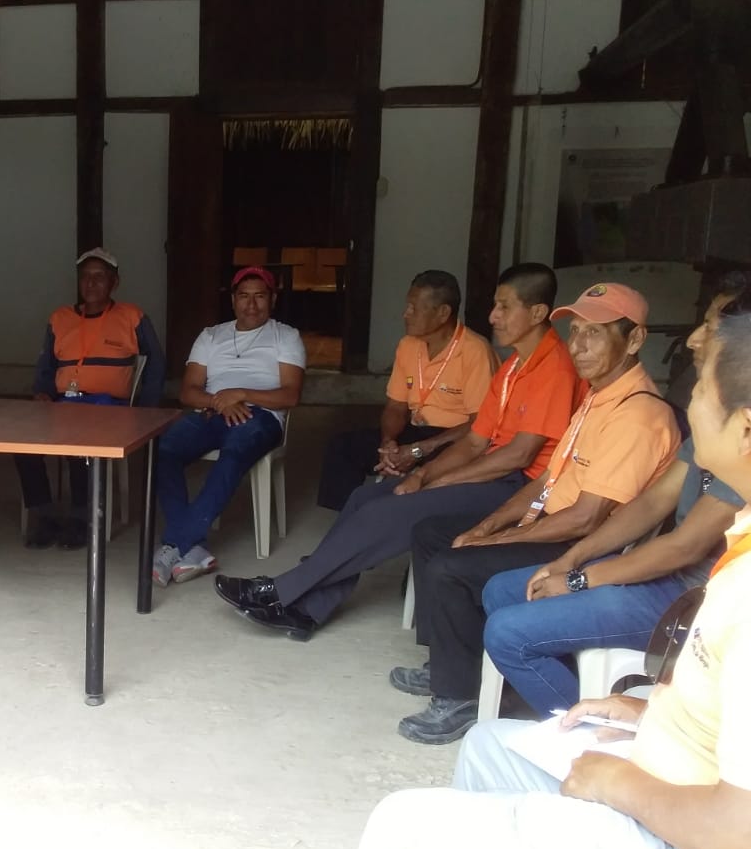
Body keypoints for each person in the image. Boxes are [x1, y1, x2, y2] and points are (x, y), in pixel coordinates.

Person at [334, 294, 751, 849]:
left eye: (700, 389)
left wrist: (618, 783)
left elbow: (740, 828)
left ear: (746, 429)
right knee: (488, 746)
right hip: (677, 776)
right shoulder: (738, 547)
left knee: (402, 830)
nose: (689, 404)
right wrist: (649, 711)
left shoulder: (743, 591)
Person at [215, 263, 577, 639]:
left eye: (504, 307)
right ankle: (307, 610)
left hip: (520, 489)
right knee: (363, 497)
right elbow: (475, 441)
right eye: (495, 305)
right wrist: (423, 473)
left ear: (538, 312)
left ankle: (280, 591)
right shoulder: (514, 366)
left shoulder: (554, 369)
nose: (493, 316)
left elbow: (518, 456)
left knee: (385, 510)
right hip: (491, 470)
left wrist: (439, 482)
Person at [389, 282, 681, 744]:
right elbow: (547, 480)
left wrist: (494, 541)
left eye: (595, 333)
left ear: (635, 340)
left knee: (451, 567)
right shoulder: (597, 397)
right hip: (552, 524)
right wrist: (487, 525)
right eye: (575, 331)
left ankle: (459, 696)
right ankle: (450, 663)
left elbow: (586, 518)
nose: (578, 345)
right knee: (432, 533)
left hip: (584, 546)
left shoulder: (637, 414)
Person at [481, 276, 748, 715]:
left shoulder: (734, 438)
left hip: (694, 596)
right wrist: (572, 560)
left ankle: (595, 730)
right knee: (503, 590)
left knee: (507, 632)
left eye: (712, 327)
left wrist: (579, 579)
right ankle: (562, 690)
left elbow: (685, 545)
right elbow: (652, 503)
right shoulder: (708, 420)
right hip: (667, 578)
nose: (694, 339)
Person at [152, 266, 305, 586]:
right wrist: (221, 401)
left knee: (234, 452)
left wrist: (242, 394)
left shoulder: (286, 336)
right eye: (244, 296)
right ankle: (192, 548)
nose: (252, 304)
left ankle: (175, 544)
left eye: (260, 296)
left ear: (273, 299)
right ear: (233, 300)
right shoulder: (211, 336)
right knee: (164, 448)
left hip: (261, 416)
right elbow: (188, 391)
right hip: (212, 411)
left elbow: (291, 395)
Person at [14, 247, 165, 549]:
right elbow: (46, 366)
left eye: (99, 277)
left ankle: (81, 520)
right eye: (85, 277)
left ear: (114, 282)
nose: (91, 283)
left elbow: (157, 363)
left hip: (109, 408)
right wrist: (42, 392)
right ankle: (44, 515)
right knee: (22, 444)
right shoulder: (60, 318)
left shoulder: (131, 316)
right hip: (64, 405)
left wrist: (145, 410)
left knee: (80, 441)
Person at [316, 270, 497, 511]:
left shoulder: (475, 351)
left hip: (454, 439)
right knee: (342, 447)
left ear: (443, 313)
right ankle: (349, 519)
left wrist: (419, 450)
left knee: (438, 468)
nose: (405, 314)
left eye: (414, 308)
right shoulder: (408, 345)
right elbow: (396, 406)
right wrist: (388, 442)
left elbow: (480, 424)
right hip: (416, 431)